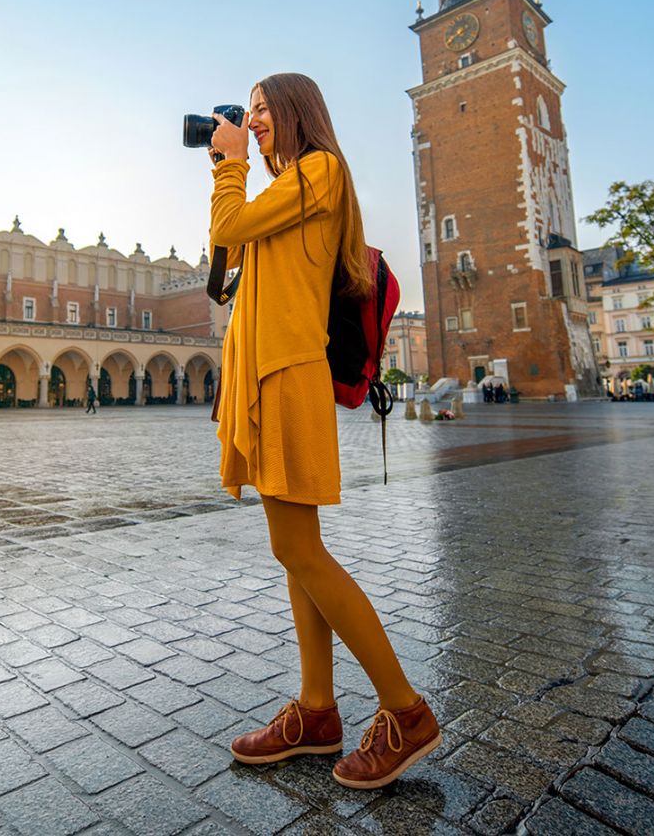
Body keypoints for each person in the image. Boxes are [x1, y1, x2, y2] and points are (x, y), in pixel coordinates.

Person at [210, 73, 438, 790]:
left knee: (303, 552)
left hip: (287, 374)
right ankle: (315, 710)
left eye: (260, 110)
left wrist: (229, 165)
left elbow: (227, 227)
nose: (251, 121)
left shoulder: (320, 169)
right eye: (244, 115)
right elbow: (226, 264)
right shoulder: (289, 189)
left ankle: (406, 712)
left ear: (295, 112)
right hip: (267, 374)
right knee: (293, 550)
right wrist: (235, 170)